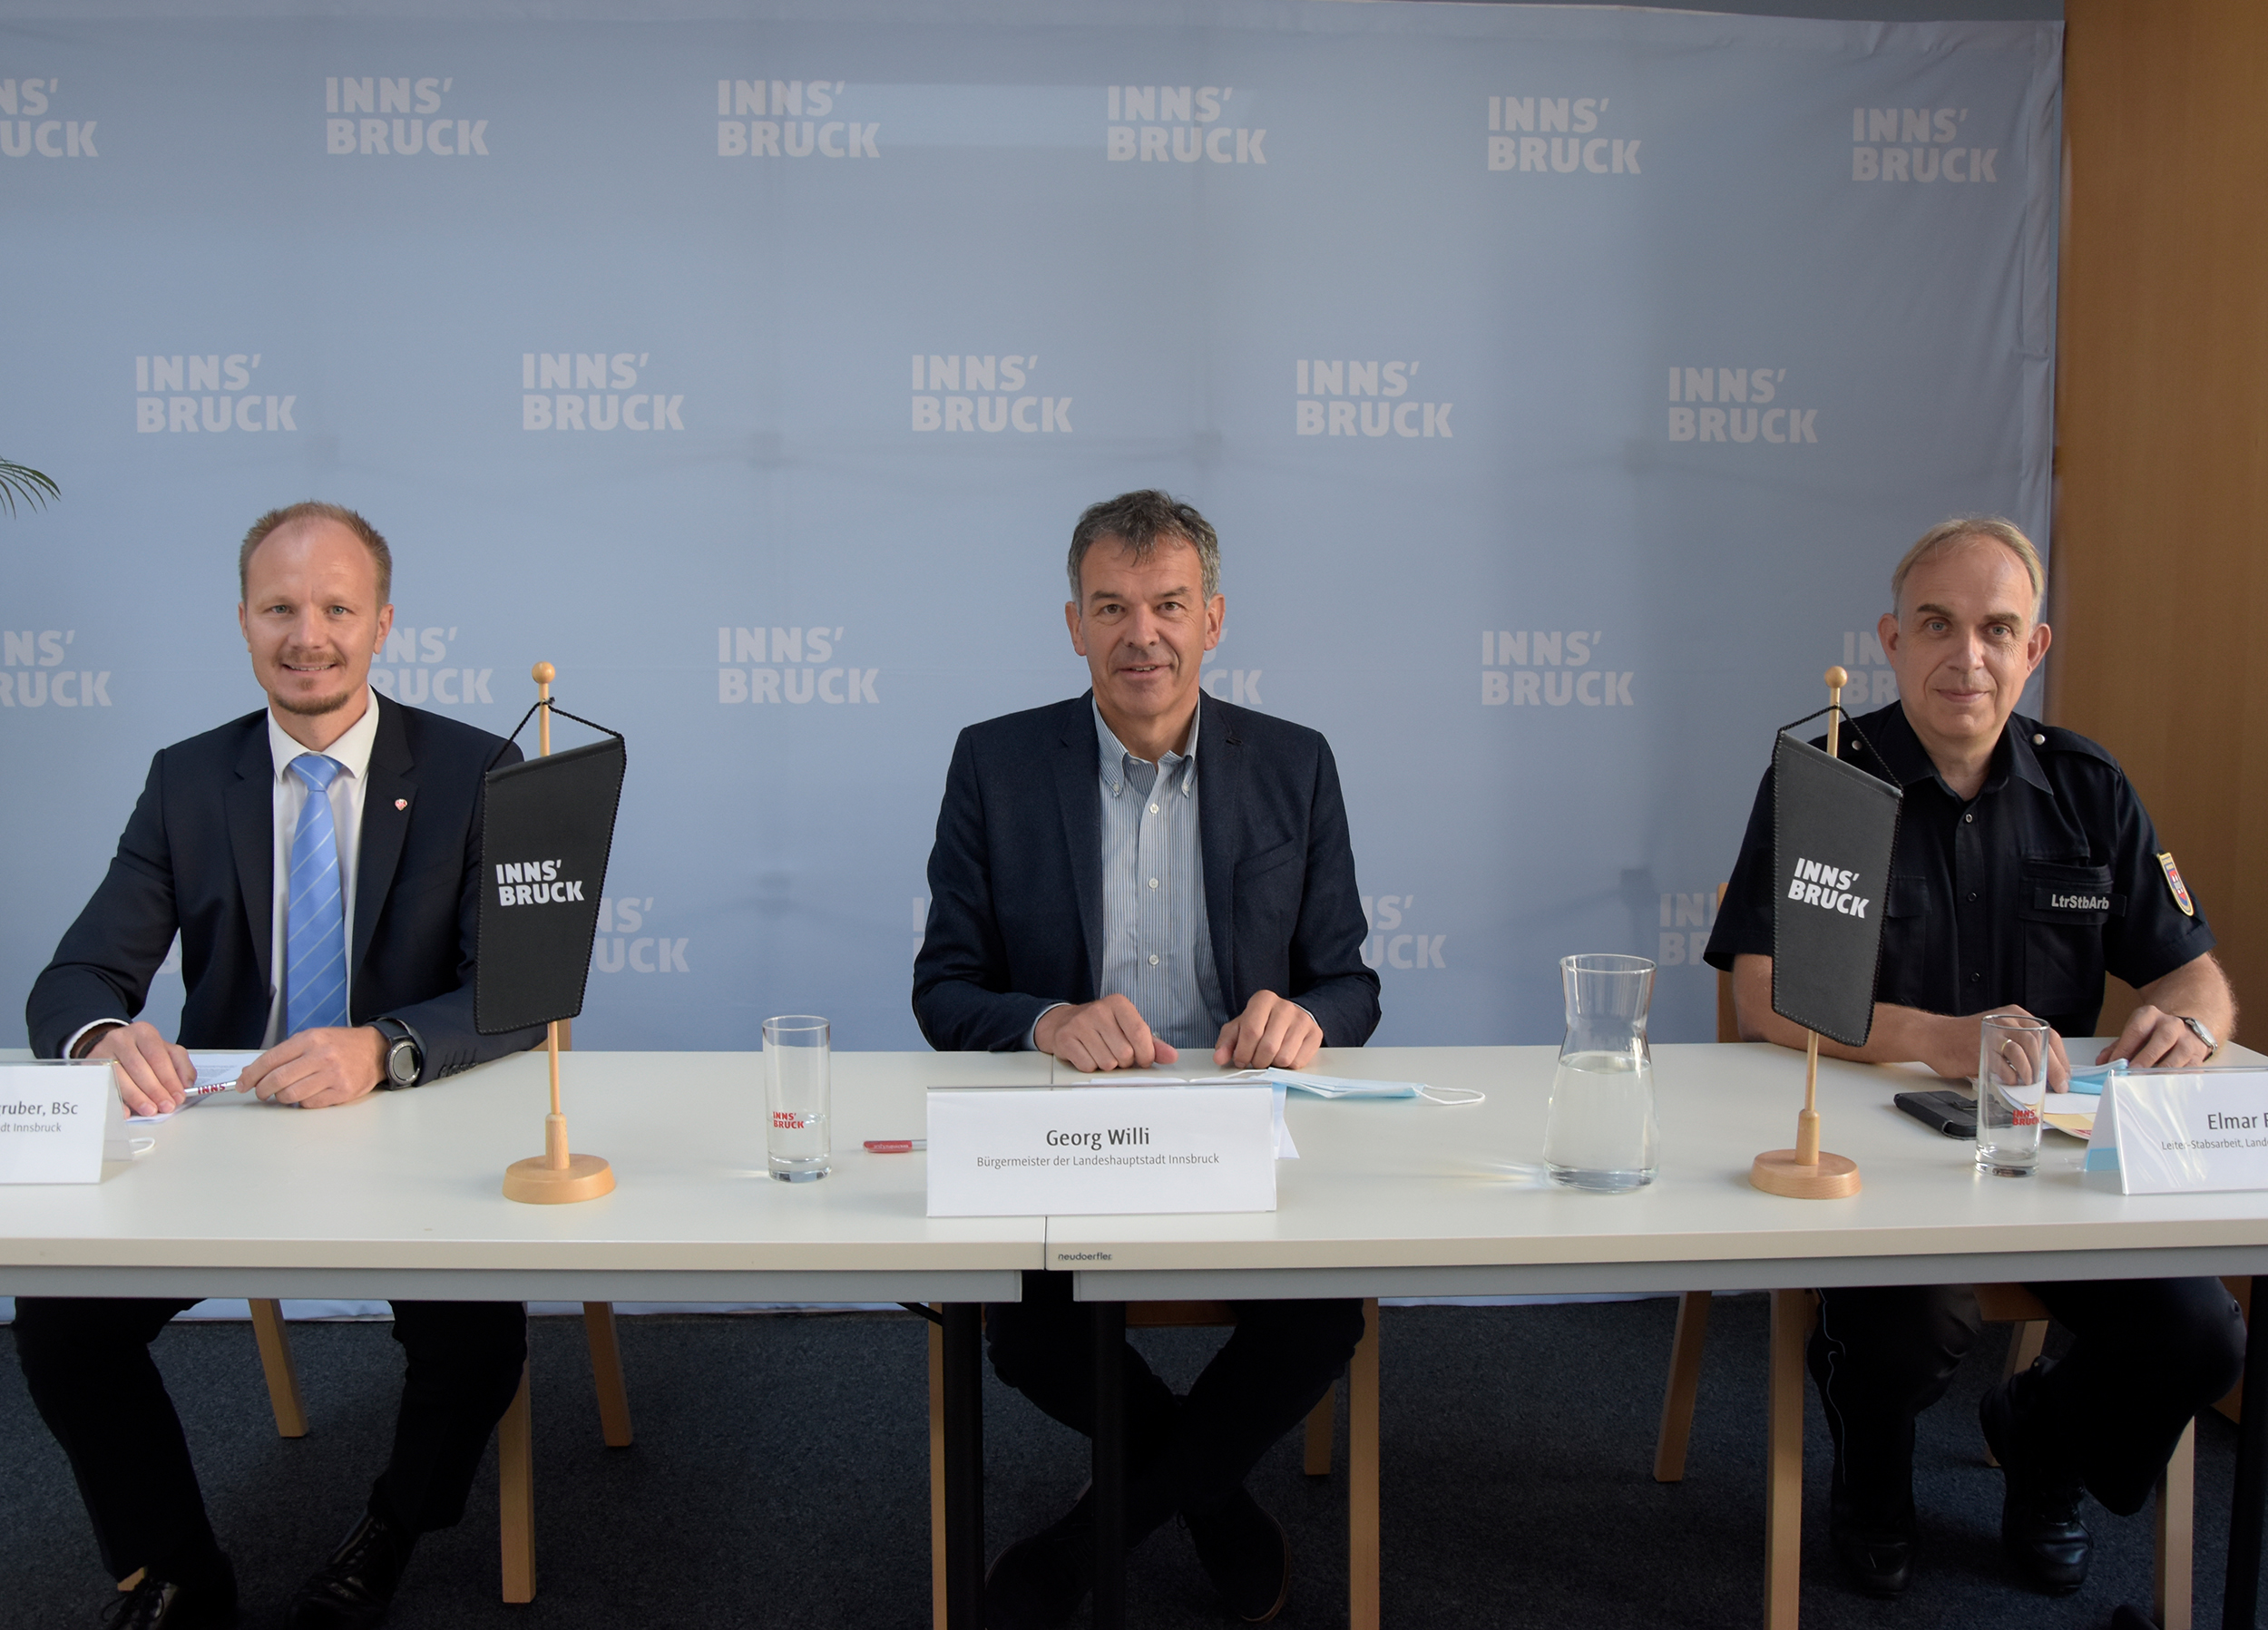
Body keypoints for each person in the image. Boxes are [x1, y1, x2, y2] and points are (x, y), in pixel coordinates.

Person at [16, 502, 543, 1630]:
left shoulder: (478, 767)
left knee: (475, 1339)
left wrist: (381, 1047)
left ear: (383, 622)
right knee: (60, 1324)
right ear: (244, 622)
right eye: (280, 608)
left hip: (414, 1124)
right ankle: (179, 1570)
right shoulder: (185, 779)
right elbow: (72, 979)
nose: (309, 635)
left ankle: (387, 1532)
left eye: (336, 608)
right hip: (228, 1133)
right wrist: (104, 1037)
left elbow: (518, 994)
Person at [1703, 517, 2244, 1599]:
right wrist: (1941, 1040)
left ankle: (2041, 1443)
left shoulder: (2087, 787)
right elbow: (1759, 992)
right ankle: (1875, 1470)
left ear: (2034, 649)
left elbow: (2196, 976)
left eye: (1998, 629)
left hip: (2051, 1161)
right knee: (1916, 1315)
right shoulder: (1827, 781)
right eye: (1938, 626)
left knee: (2202, 1334)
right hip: (1879, 1161)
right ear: (1891, 640)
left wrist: (2192, 1024)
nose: (1969, 656)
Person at [914, 490, 1379, 1627]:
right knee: (1023, 1326)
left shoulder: (1294, 764)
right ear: (1072, 623)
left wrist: (1301, 1019)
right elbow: (943, 989)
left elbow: (1350, 986)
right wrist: (1043, 1021)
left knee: (1322, 1317)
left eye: (1168, 605)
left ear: (1212, 619)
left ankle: (1084, 1545)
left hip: (1244, 1123)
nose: (1142, 635)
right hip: (1069, 1128)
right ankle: (1205, 1496)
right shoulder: (995, 764)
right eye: (1111, 607)